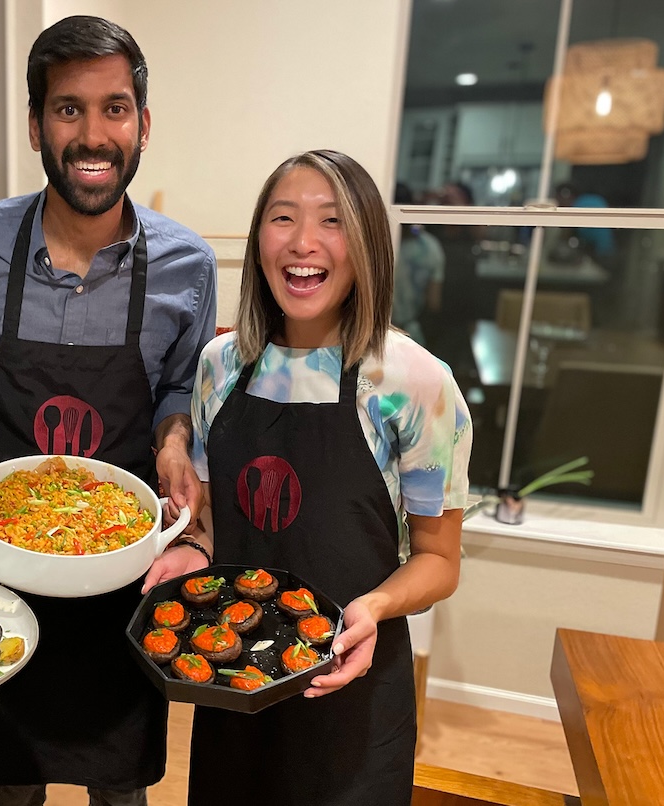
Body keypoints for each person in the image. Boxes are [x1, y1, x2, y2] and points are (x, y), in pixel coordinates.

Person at [0, 15, 216, 805]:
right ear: (37, 123)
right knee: (8, 784)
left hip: (124, 567)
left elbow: (180, 390)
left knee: (122, 784)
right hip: (0, 561)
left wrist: (177, 444)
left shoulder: (187, 264)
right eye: (68, 108)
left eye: (114, 108)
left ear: (142, 123)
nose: (92, 133)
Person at [184, 151, 471, 805]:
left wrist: (371, 608)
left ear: (366, 243)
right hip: (233, 681)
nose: (303, 243)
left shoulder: (414, 383)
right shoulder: (219, 367)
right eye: (282, 218)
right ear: (260, 239)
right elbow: (210, 520)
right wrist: (183, 547)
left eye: (332, 221)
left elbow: (438, 560)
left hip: (354, 691)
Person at [392, 183, 445, 345]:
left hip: (374, 334)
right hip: (410, 335)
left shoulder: (373, 245)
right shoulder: (431, 247)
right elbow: (433, 302)